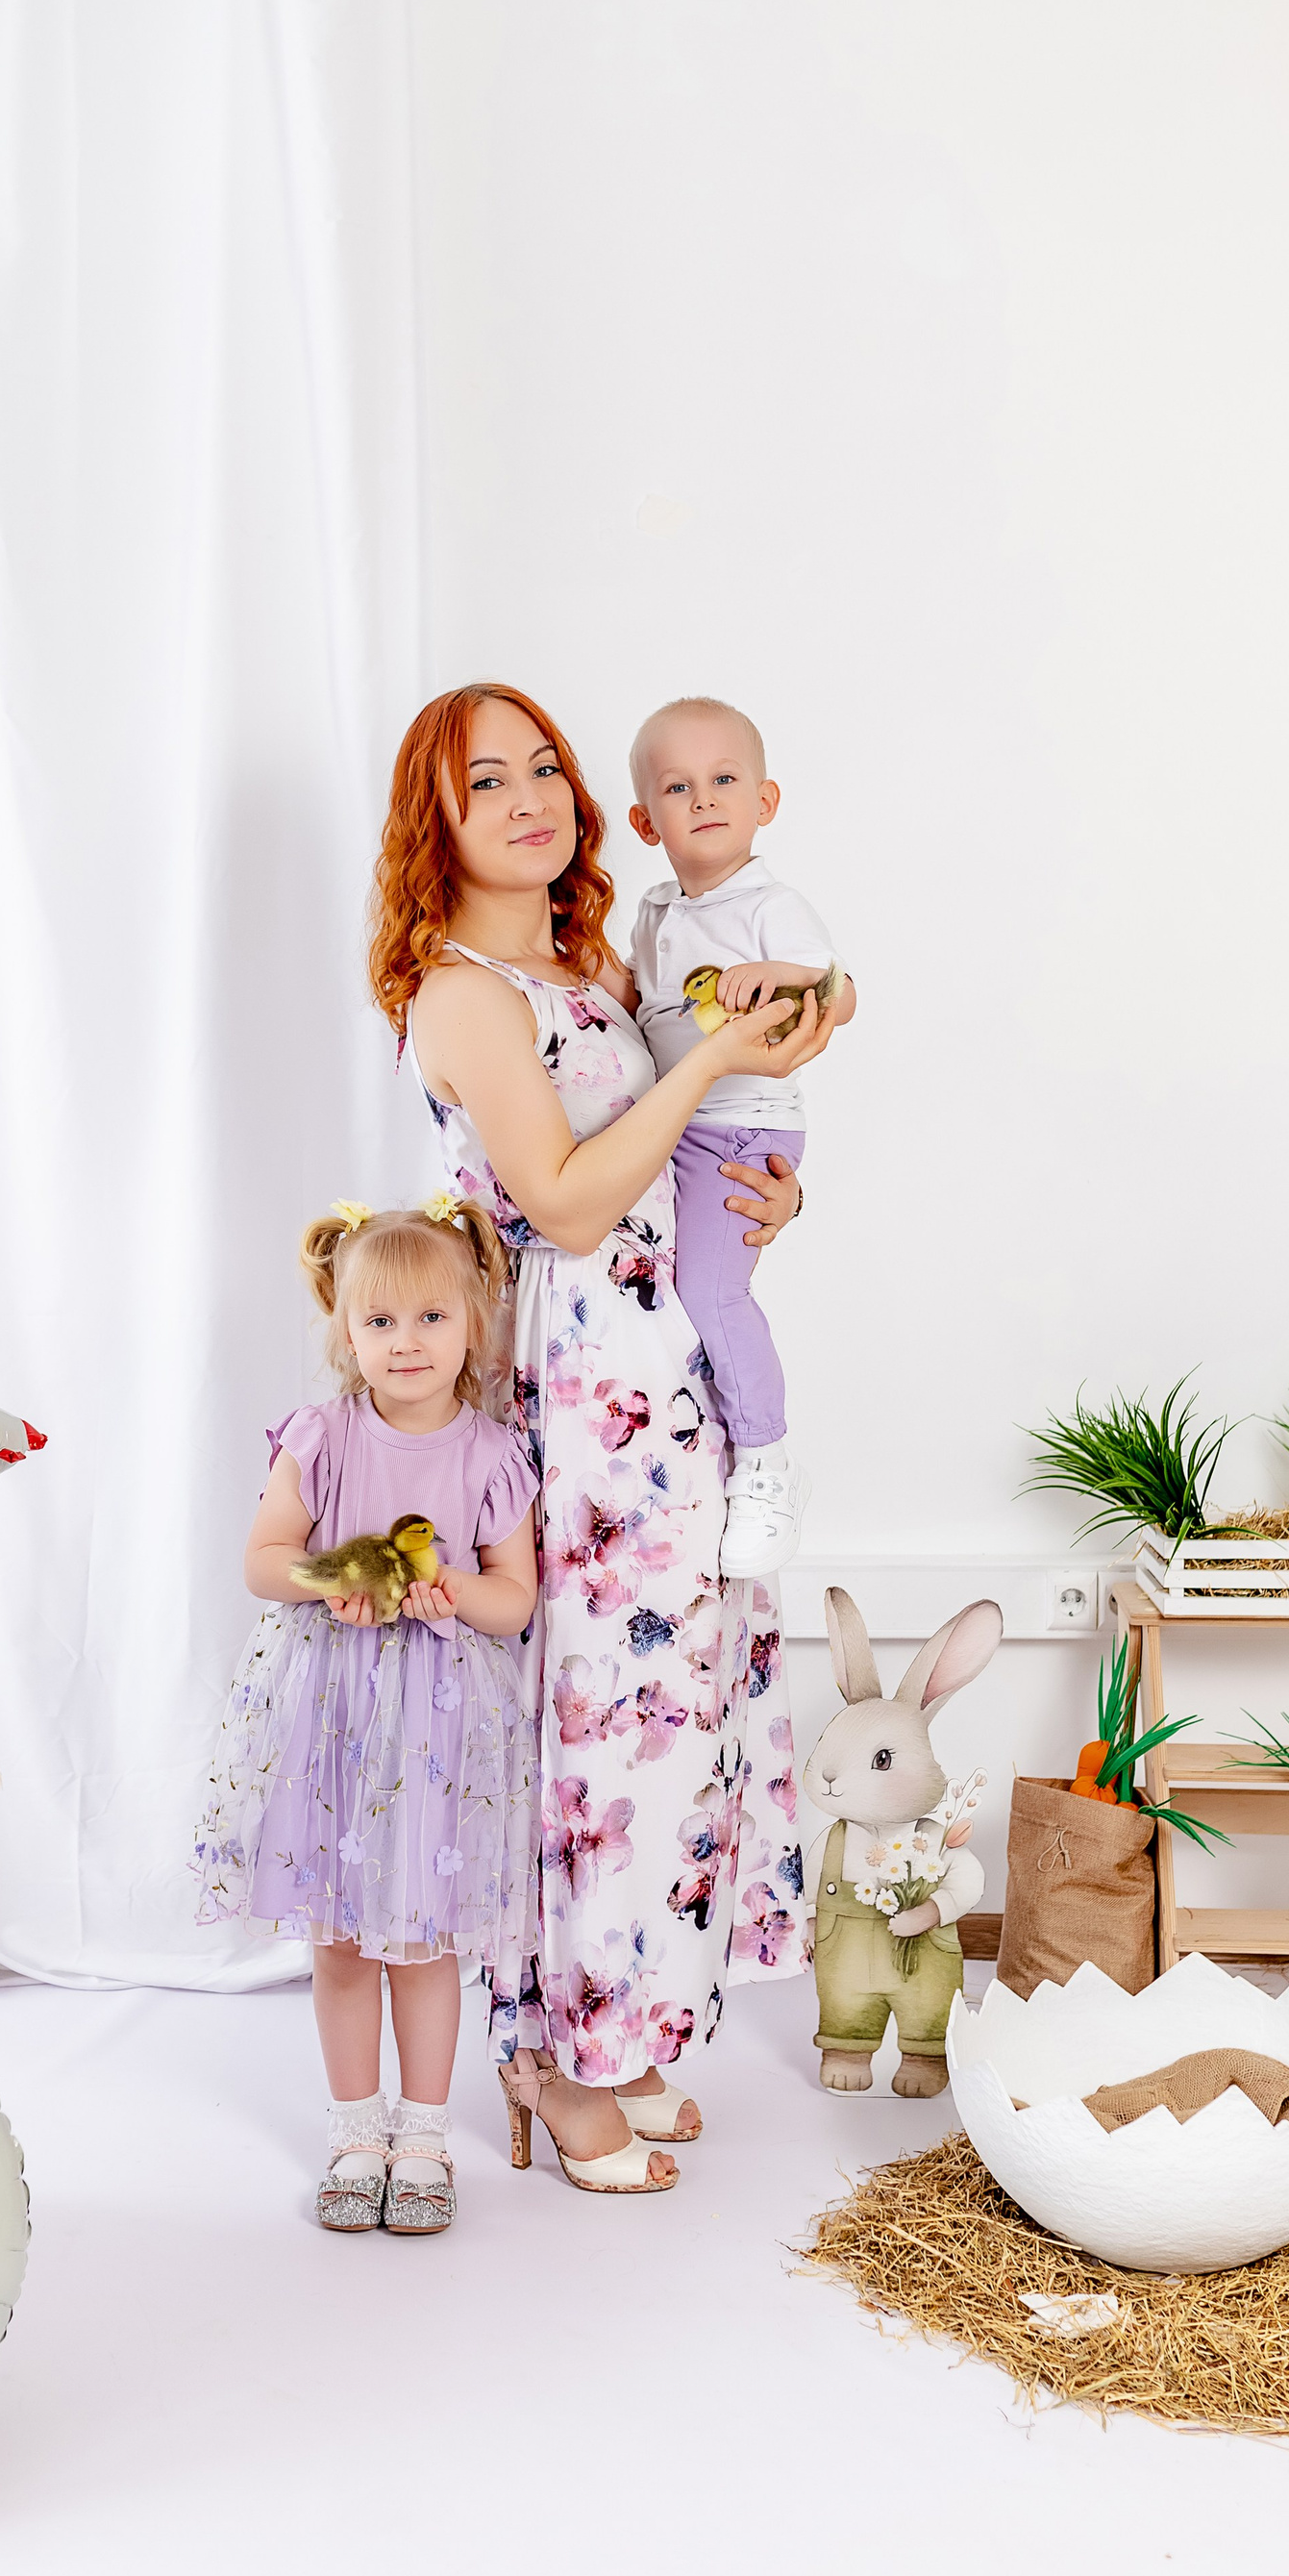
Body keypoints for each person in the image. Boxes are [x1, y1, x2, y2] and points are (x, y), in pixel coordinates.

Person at [367, 683, 832, 2197]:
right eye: (485, 781)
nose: (528, 799)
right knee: (593, 1722)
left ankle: (621, 2033)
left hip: (668, 1378)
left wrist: (767, 1188)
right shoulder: (462, 993)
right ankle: (554, 2058)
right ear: (436, 823)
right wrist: (707, 1063)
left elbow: (685, 1156)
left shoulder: (592, 959)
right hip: (576, 1407)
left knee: (674, 1711)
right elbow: (567, 1203)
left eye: (544, 768)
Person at [192, 1197, 539, 2237]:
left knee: (422, 1943)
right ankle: (355, 2133)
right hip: (336, 1718)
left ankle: (423, 2136)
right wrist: (336, 1574)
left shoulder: (490, 1453)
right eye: (380, 1321)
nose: (407, 1342)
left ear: (475, 1324)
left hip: (436, 1725)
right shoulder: (323, 1437)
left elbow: (514, 1597)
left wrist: (454, 1591)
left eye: (432, 1317)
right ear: (345, 1331)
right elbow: (264, 1561)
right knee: (343, 1939)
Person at [627, 694, 856, 1578]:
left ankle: (765, 1461)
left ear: (765, 801)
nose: (704, 799)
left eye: (725, 779)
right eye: (678, 787)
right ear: (646, 821)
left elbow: (841, 994)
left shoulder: (772, 905)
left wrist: (785, 974)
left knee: (711, 1290)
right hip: (676, 1125)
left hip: (740, 1127)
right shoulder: (655, 912)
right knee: (671, 1295)